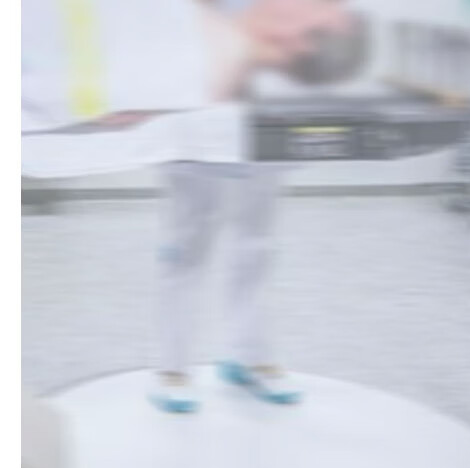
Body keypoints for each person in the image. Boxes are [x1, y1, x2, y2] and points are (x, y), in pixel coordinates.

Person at [21, 0, 350, 412]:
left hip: (261, 107)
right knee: (188, 246)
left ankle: (251, 355)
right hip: (192, 111)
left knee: (257, 244)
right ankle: (172, 368)